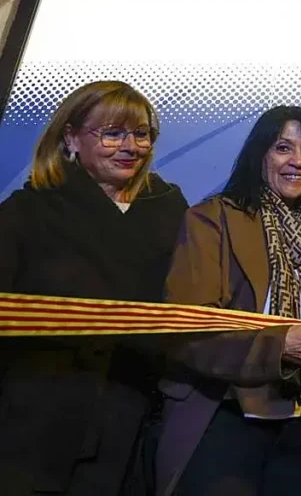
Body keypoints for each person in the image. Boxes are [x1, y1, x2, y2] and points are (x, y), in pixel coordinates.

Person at [156, 106, 301, 496]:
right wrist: (280, 345)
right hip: (227, 420)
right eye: (283, 148)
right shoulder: (212, 219)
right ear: (260, 153)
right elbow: (188, 329)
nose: (297, 161)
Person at [0, 80, 188, 496]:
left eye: (141, 134)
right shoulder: (27, 212)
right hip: (34, 419)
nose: (130, 146)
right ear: (71, 137)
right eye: (112, 133)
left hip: (125, 412)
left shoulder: (170, 208)